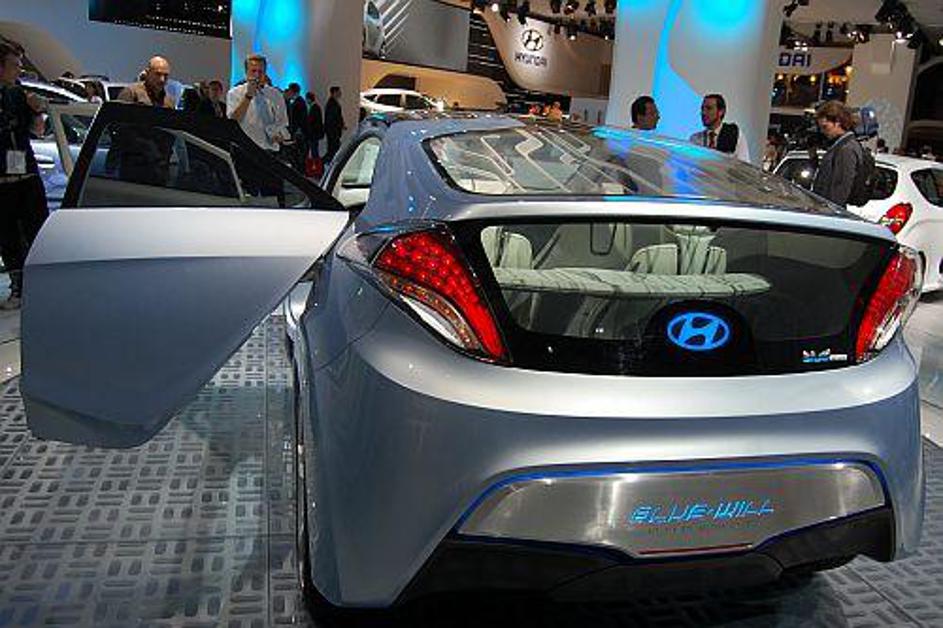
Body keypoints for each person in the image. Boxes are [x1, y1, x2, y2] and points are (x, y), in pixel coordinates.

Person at [0, 40, 49, 310]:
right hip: (3, 180)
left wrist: (36, 110)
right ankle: (18, 287)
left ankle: (41, 284)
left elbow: (38, 131)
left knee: (37, 231)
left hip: (26, 175)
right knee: (8, 236)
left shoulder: (20, 95)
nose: (19, 70)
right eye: (14, 65)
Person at [227, 53, 290, 153]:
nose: (257, 75)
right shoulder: (234, 93)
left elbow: (282, 122)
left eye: (261, 71)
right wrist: (248, 96)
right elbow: (233, 121)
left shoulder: (276, 94)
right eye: (253, 71)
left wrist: (280, 134)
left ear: (265, 73)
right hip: (244, 149)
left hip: (269, 150)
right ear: (246, 72)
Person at [812, 101, 868, 208]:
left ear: (837, 122)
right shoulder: (841, 146)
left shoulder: (846, 149)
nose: (823, 131)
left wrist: (831, 212)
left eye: (825, 127)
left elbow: (840, 188)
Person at [689, 94, 750, 162]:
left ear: (720, 112)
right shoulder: (695, 139)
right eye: (702, 109)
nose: (703, 113)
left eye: (709, 108)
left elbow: (744, 164)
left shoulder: (735, 135)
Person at [324, 85, 346, 164]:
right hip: (333, 131)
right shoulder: (332, 104)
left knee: (332, 149)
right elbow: (333, 119)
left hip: (333, 131)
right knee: (333, 150)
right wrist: (339, 125)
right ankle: (328, 163)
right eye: (338, 92)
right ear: (334, 92)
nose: (340, 93)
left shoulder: (332, 103)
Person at [305, 91, 324, 161]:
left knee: (314, 150)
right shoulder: (315, 107)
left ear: (309, 99)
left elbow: (313, 121)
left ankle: (317, 164)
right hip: (314, 133)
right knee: (314, 150)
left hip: (314, 134)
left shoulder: (314, 108)